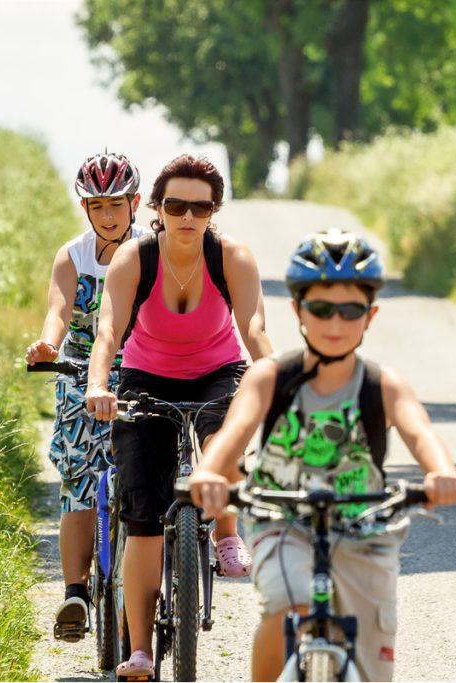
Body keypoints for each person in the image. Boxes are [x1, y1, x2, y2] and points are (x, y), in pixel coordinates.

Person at [188, 229, 456, 681]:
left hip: (365, 527)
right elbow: (232, 433)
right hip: (282, 520)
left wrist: (442, 472)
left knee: (374, 664)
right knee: (287, 604)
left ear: (370, 316)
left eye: (350, 311)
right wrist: (208, 474)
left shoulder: (382, 384)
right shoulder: (269, 378)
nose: (334, 323)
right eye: (320, 309)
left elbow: (421, 432)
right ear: (297, 310)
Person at [85, 154, 274, 678]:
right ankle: (139, 649)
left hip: (218, 371)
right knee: (143, 515)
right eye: (176, 205)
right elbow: (109, 332)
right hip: (146, 378)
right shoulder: (134, 259)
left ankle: (226, 530)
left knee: (226, 438)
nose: (187, 216)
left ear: (214, 210)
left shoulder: (230, 256)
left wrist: (279, 378)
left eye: (200, 206)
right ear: (157, 207)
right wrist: (99, 385)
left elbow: (254, 330)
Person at [24, 151, 144, 641]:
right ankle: (75, 592)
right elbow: (58, 309)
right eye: (97, 205)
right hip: (78, 370)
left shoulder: (150, 249)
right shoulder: (72, 255)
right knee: (77, 481)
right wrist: (47, 344)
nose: (108, 214)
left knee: (152, 472)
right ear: (86, 209)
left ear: (135, 203)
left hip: (142, 369)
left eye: (116, 203)